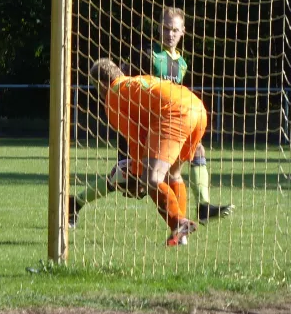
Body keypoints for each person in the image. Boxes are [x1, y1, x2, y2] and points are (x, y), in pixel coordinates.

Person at [69, 7, 234, 229]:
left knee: (189, 157)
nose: (170, 34)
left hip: (169, 121)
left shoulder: (181, 63)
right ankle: (76, 202)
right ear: (158, 28)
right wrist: (125, 155)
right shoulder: (145, 53)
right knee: (131, 180)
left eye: (175, 30)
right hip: (146, 126)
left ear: (183, 31)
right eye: (166, 29)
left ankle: (198, 210)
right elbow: (125, 92)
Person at [87, 58, 206, 245]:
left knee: (151, 179)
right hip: (197, 108)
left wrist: (136, 174)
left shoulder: (112, 96)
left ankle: (179, 223)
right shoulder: (134, 83)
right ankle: (180, 235)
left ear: (101, 84)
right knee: (173, 174)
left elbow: (134, 140)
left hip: (175, 114)